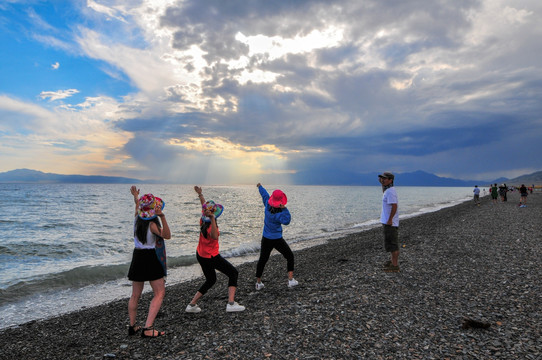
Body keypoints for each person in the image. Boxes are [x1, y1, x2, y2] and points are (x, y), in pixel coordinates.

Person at [185, 186, 245, 313]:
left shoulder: (202, 221)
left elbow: (204, 207)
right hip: (211, 257)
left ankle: (192, 304)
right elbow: (214, 236)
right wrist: (212, 219)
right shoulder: (212, 227)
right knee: (233, 273)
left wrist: (200, 195)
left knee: (211, 279)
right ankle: (231, 304)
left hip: (200, 254)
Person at [127, 186, 171, 338]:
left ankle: (132, 327)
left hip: (137, 257)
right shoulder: (152, 224)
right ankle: (148, 328)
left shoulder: (136, 220)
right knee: (159, 293)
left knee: (135, 295)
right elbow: (167, 235)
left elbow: (138, 208)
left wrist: (136, 197)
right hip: (150, 258)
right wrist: (162, 216)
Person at [255, 183, 298, 290]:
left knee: (263, 260)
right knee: (289, 256)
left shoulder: (267, 205)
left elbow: (264, 195)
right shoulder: (280, 214)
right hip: (277, 239)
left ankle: (258, 283)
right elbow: (287, 221)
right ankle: (291, 280)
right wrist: (285, 209)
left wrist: (260, 186)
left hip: (266, 239)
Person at [378, 172, 400, 272]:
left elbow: (394, 206)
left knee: (393, 244)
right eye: (382, 178)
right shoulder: (388, 190)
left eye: (385, 178)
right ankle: (392, 262)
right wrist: (382, 184)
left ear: (390, 180)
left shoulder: (391, 191)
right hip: (388, 222)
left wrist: (390, 219)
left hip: (390, 223)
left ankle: (395, 266)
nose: (383, 180)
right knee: (390, 243)